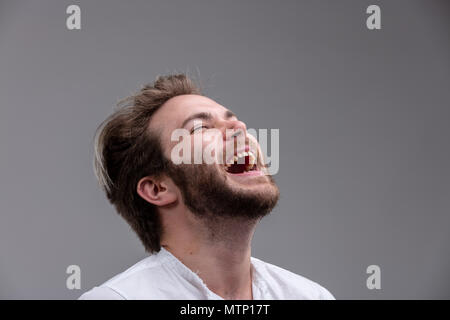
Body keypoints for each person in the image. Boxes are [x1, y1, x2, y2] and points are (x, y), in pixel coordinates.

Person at [79, 74, 335, 300]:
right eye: (200, 127)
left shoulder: (311, 296)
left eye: (234, 120)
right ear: (158, 188)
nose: (240, 128)